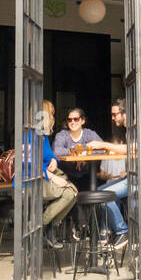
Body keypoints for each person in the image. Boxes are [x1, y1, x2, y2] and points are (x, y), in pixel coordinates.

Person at [86, 99, 141, 255]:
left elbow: (134, 150)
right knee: (99, 192)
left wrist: (104, 145)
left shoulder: (138, 127)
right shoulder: (129, 130)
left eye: (114, 114)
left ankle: (122, 231)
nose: (112, 118)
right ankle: (110, 231)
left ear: (124, 113)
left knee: (102, 196)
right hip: (132, 177)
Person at [35, 101, 78, 245]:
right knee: (69, 193)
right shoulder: (31, 135)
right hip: (34, 181)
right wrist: (53, 177)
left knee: (73, 192)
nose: (53, 118)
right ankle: (42, 226)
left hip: (45, 178)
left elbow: (51, 155)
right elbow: (30, 165)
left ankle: (50, 228)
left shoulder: (43, 136)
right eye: (52, 113)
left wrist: (54, 161)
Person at [52, 108, 103, 189]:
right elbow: (56, 151)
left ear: (82, 121)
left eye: (76, 119)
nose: (72, 122)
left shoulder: (89, 134)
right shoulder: (62, 135)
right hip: (66, 175)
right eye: (69, 120)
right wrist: (78, 153)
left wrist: (84, 156)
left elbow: (103, 149)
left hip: (88, 175)